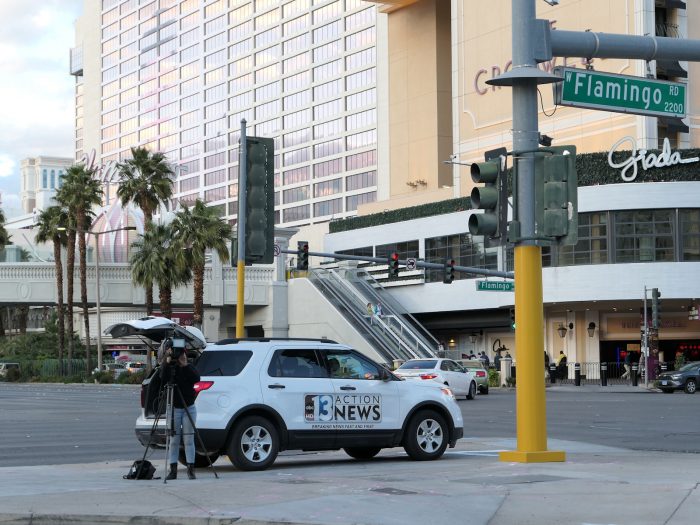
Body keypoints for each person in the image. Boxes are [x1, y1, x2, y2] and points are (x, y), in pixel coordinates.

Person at [161, 341, 201, 480]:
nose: (178, 355)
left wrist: (185, 365)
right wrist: (166, 361)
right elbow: (163, 379)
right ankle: (173, 471)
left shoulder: (188, 366)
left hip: (189, 407)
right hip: (174, 408)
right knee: (173, 440)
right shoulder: (169, 366)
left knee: (189, 439)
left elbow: (197, 378)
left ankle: (191, 469)